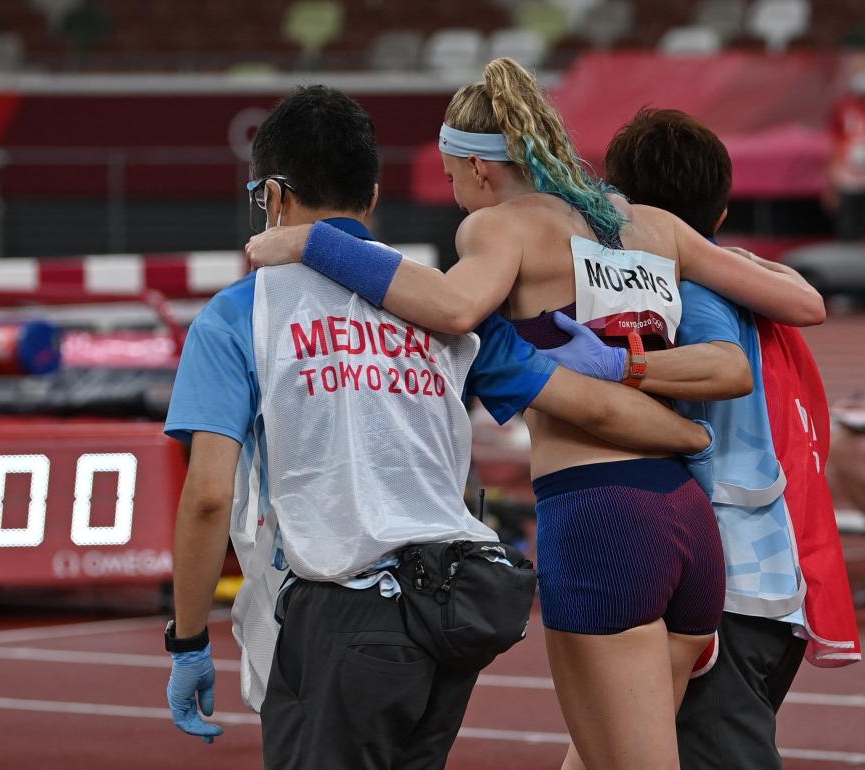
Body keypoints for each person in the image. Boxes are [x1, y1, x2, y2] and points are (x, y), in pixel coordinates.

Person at [245, 59, 827, 770]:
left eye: (455, 179)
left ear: (481, 172)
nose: (456, 198)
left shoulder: (501, 228)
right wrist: (671, 414)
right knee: (598, 755)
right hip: (686, 520)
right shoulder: (644, 223)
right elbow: (800, 302)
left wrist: (313, 242)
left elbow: (454, 308)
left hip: (601, 519)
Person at [164, 85, 714, 770]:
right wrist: (692, 436)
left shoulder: (240, 314)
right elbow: (592, 404)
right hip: (452, 609)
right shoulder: (445, 304)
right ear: (370, 195)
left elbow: (210, 495)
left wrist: (188, 640)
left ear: (272, 199)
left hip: (341, 609)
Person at [545, 108, 862, 769]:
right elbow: (807, 303)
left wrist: (611, 367)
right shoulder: (738, 275)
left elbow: (727, 370)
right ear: (719, 215)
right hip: (752, 577)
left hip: (724, 587)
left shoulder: (686, 290)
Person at [827, 51, 865, 240]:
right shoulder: (844, 107)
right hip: (849, 178)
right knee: (849, 227)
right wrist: (832, 184)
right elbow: (835, 144)